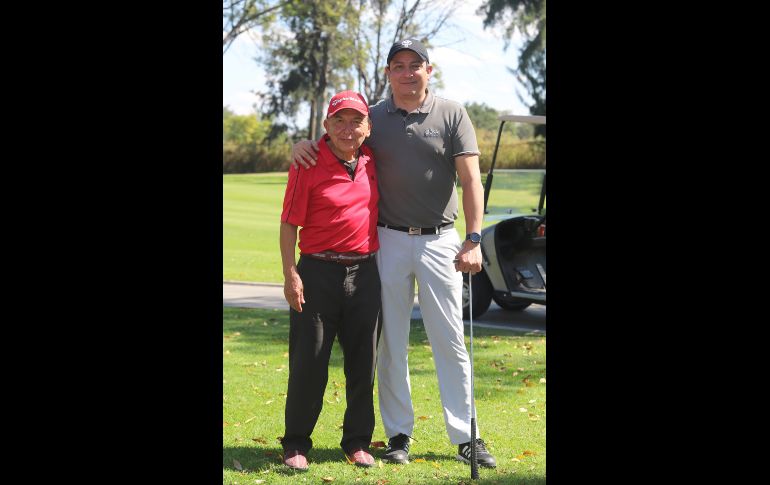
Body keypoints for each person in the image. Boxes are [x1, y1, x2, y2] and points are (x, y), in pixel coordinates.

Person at [291, 38, 497, 468]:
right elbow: (336, 138)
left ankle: (466, 435)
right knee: (392, 342)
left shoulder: (452, 113)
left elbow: (472, 181)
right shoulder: (375, 117)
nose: (407, 73)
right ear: (388, 73)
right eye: (398, 66)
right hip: (388, 240)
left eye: (415, 65)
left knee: (450, 340)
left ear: (429, 69)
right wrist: (300, 145)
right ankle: (398, 433)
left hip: (441, 239)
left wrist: (474, 239)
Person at [279, 90, 381, 471]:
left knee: (362, 363)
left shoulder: (373, 160)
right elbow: (289, 223)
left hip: (365, 273)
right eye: (339, 120)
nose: (347, 128)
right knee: (310, 362)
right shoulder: (308, 162)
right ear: (326, 126)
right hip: (317, 272)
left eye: (356, 121)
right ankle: (295, 444)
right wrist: (291, 273)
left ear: (368, 127)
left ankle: (356, 442)